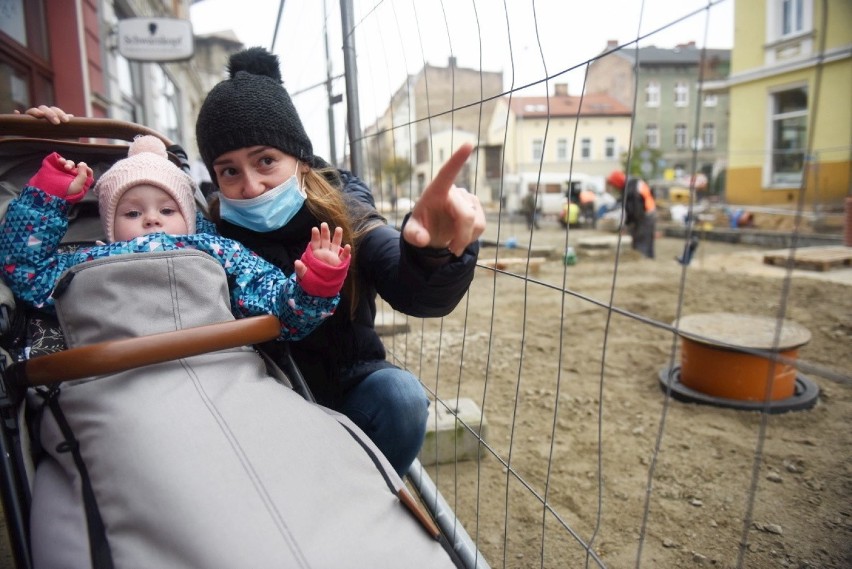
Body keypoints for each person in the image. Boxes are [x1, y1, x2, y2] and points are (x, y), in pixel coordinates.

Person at [22, 46, 485, 478]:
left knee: (400, 398)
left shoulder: (347, 214)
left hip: (344, 385)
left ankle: (363, 492)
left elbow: (410, 286)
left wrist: (432, 252)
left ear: (300, 159)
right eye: (229, 170)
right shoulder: (200, 228)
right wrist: (49, 157)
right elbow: (135, 205)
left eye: (266, 161)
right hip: (246, 395)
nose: (251, 185)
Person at [0, 134, 351, 341]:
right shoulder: (88, 262)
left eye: (168, 211)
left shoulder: (217, 250)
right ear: (110, 226)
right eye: (132, 213)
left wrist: (314, 286)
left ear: (189, 219)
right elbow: (27, 272)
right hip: (114, 371)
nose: (151, 219)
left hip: (216, 363)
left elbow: (279, 308)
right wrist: (48, 197)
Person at [606, 169, 656, 259]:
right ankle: (646, 256)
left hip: (645, 215)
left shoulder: (631, 187)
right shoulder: (633, 184)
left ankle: (643, 257)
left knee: (642, 237)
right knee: (643, 237)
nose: (615, 187)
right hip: (647, 213)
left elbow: (634, 207)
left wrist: (629, 223)